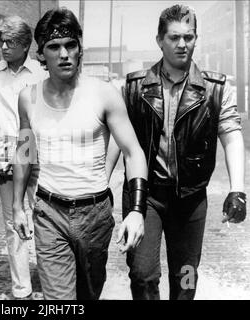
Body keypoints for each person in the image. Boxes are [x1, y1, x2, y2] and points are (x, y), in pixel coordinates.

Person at [108, 4, 247, 300]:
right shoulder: (134, 88)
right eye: (174, 37)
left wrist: (238, 190)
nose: (182, 44)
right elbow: (117, 141)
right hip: (146, 196)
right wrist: (101, 184)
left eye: (189, 36)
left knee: (185, 278)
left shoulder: (217, 89)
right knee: (143, 275)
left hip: (191, 199)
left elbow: (232, 135)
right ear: (159, 40)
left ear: (196, 38)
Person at [12, 7, 149, 300]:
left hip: (95, 213)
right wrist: (17, 206)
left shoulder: (105, 93)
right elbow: (24, 152)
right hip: (49, 213)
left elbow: (134, 153)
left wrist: (136, 210)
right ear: (41, 55)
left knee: (88, 295)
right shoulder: (28, 97)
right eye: (54, 47)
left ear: (79, 49)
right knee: (59, 301)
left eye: (70, 45)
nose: (64, 54)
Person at [0, 15, 47, 300]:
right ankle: (21, 288)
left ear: (26, 45)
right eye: (0, 41)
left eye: (10, 42)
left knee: (46, 218)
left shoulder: (41, 72)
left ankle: (52, 281)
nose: (3, 46)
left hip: (37, 152)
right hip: (5, 153)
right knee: (13, 223)